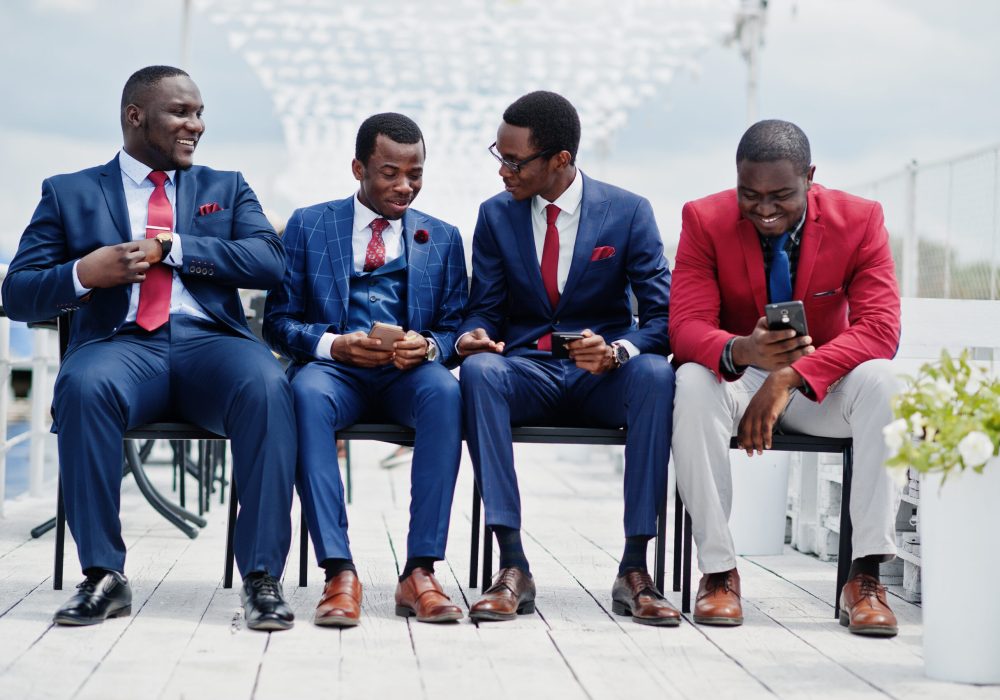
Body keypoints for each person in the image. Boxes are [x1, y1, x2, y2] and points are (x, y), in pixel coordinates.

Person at [1, 66, 297, 631]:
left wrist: (178, 246)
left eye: (200, 113)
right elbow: (17, 292)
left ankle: (261, 577)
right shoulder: (69, 192)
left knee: (268, 384)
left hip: (210, 343)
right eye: (182, 113)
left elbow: (269, 263)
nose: (197, 125)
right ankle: (103, 577)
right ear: (135, 116)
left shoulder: (225, 187)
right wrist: (84, 273)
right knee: (83, 386)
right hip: (121, 345)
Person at [670, 119, 902, 636]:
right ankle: (718, 571)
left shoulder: (859, 220)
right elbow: (684, 327)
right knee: (689, 381)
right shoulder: (704, 219)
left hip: (821, 384)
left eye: (781, 195)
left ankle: (863, 578)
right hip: (740, 378)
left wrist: (791, 376)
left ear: (810, 177)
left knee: (885, 381)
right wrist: (744, 351)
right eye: (749, 194)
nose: (765, 208)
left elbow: (881, 328)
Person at [458, 91, 678, 626]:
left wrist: (619, 351)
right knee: (480, 371)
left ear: (560, 159)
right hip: (526, 372)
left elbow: (664, 318)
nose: (503, 171)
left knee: (654, 373)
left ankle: (635, 568)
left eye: (515, 160)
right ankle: (513, 565)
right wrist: (474, 338)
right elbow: (481, 309)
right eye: (499, 155)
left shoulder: (628, 213)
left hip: (603, 377)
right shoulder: (495, 216)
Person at [263, 113, 468, 627]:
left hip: (409, 376)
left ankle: (420, 571)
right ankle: (339, 572)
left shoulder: (443, 238)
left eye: (415, 174)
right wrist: (334, 346)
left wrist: (429, 346)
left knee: (446, 394)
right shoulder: (309, 225)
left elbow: (456, 328)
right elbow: (278, 323)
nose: (405, 186)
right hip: (335, 373)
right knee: (304, 394)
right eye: (390, 173)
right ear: (358, 168)